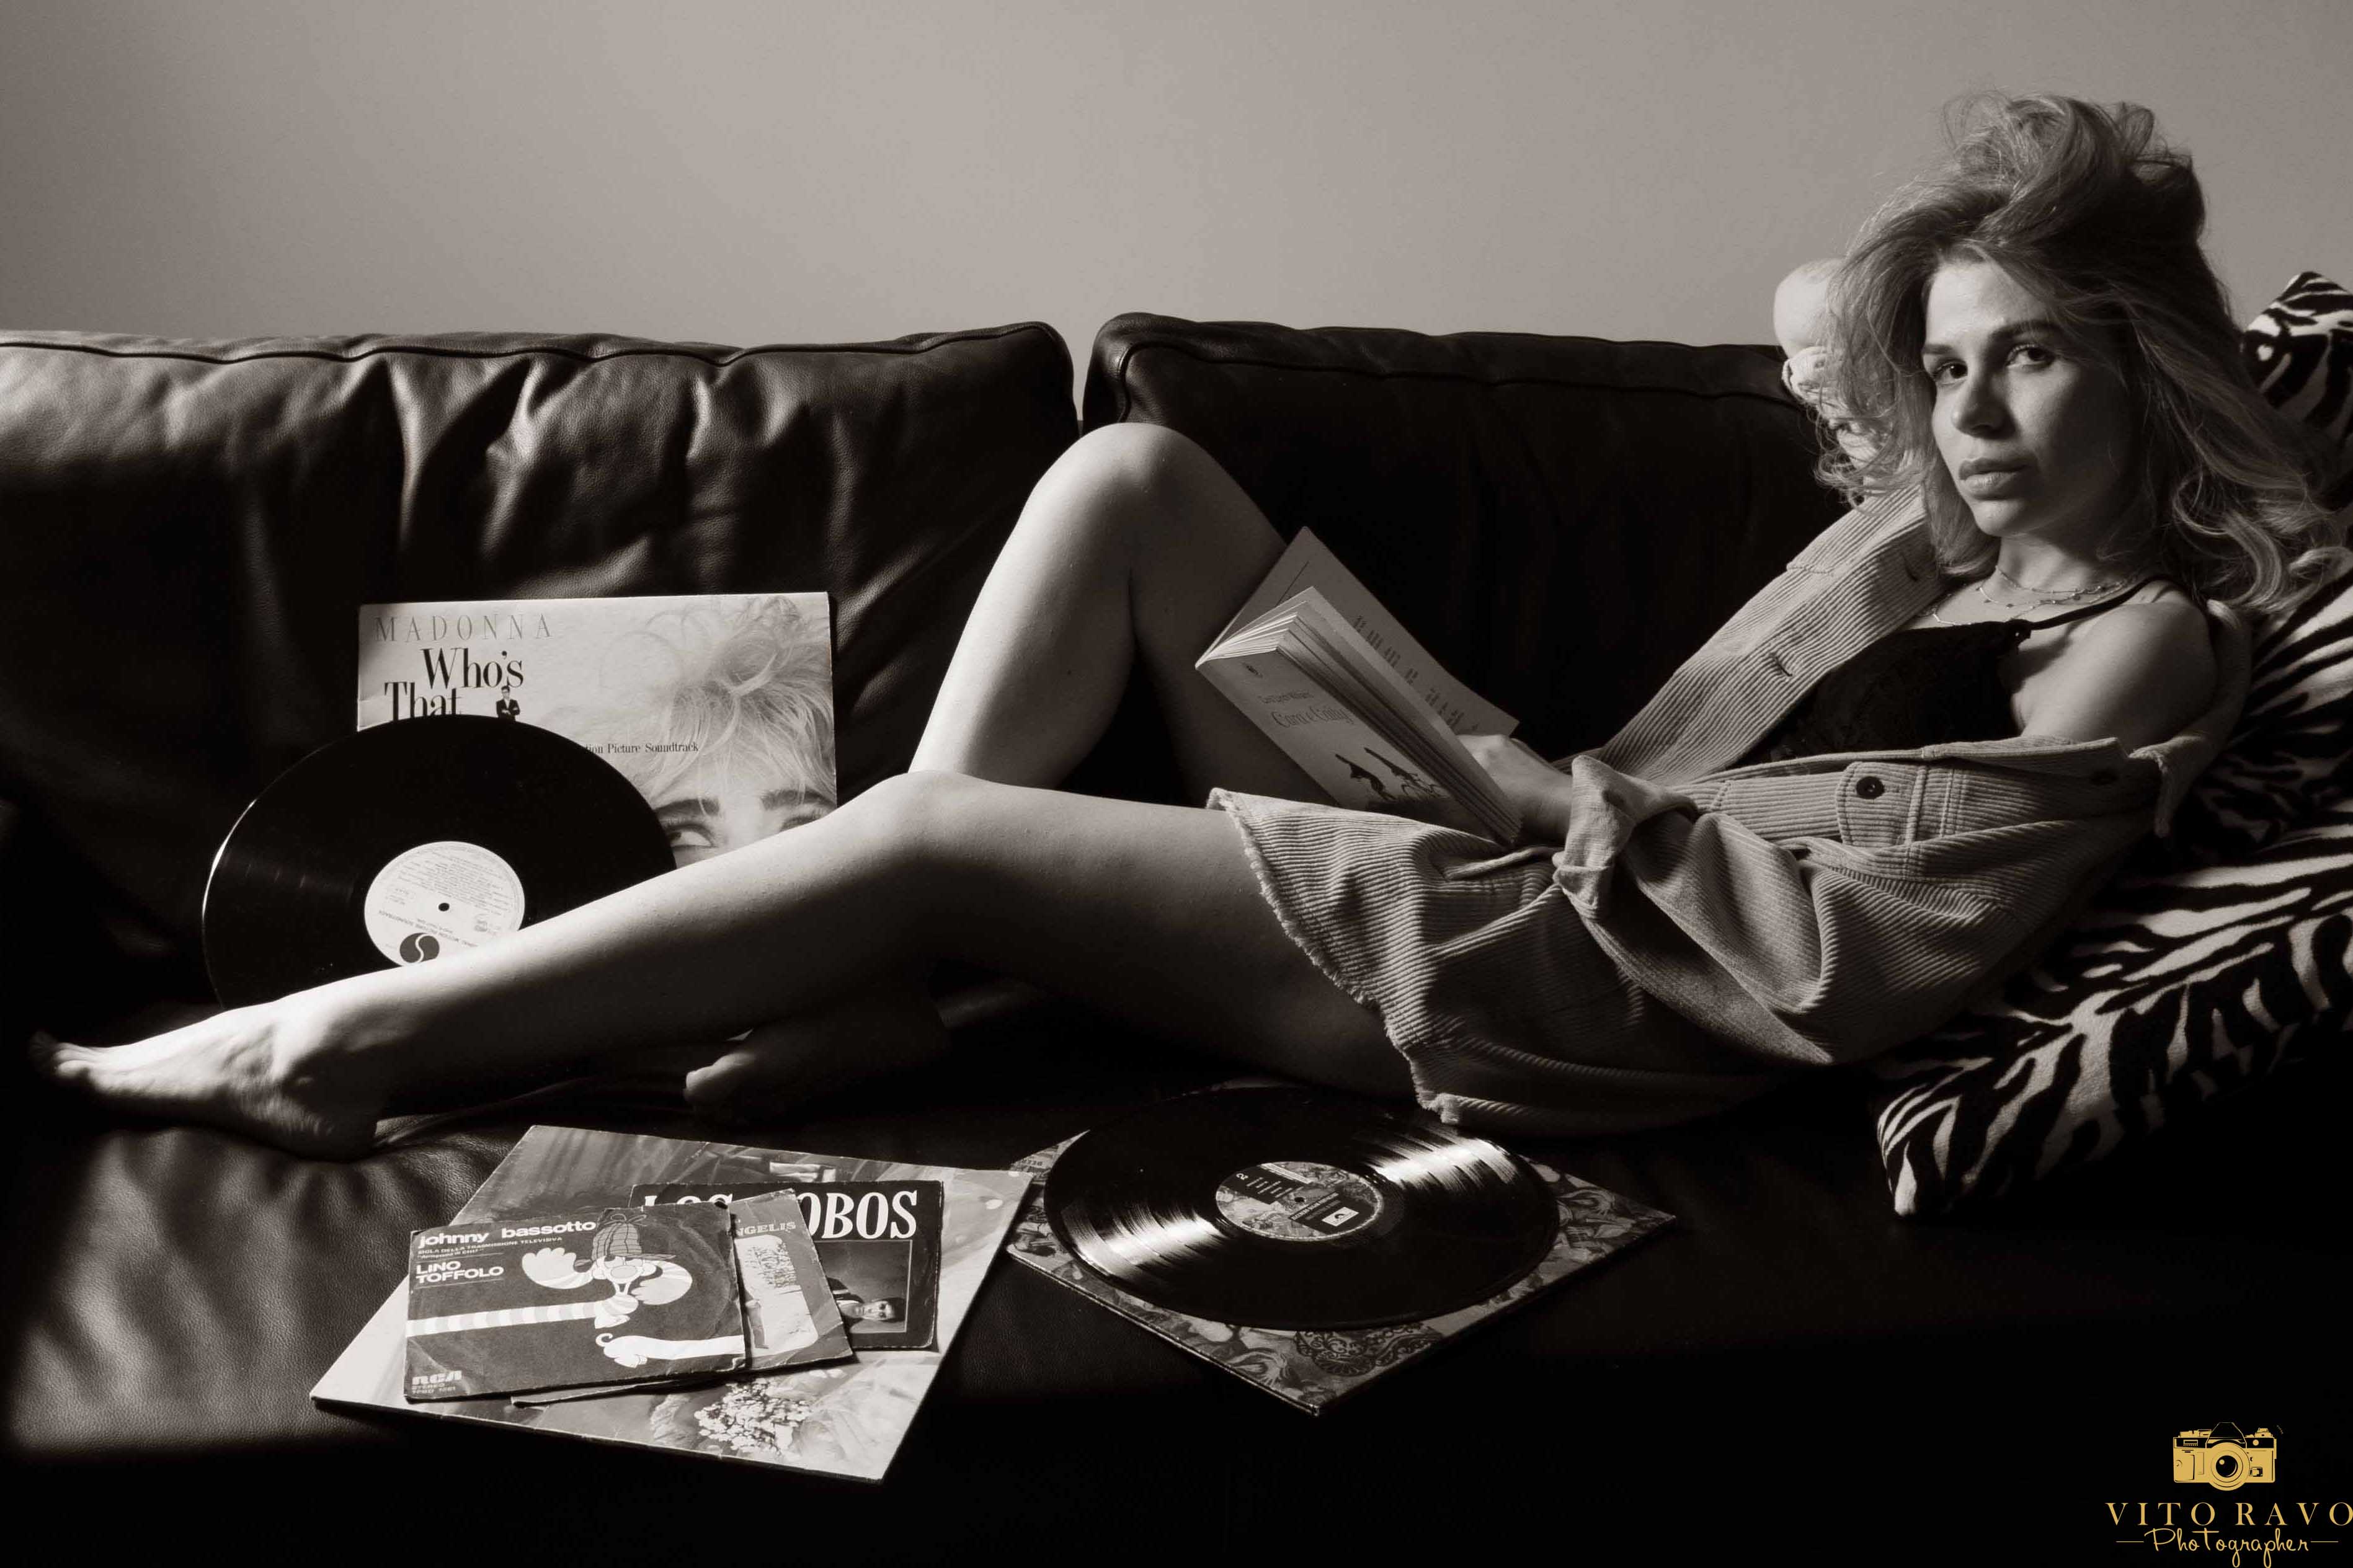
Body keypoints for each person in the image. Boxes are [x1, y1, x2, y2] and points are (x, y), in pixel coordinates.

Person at [33, 94, 2342, 1158]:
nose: (1969, 409)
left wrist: (1541, 800)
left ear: (2152, 368)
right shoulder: (1933, 538)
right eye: (1948, 367)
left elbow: (1841, 974)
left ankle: (331, 1045)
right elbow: (1816, 324)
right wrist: (1948, 306)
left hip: (1598, 985)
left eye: (2035, 360)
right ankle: (874, 977)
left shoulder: (2141, 640)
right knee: (1128, 479)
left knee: (930, 830)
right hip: (1533, 838)